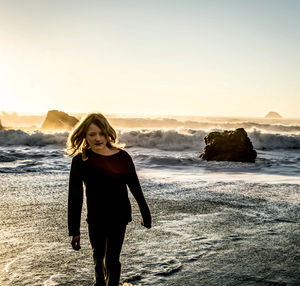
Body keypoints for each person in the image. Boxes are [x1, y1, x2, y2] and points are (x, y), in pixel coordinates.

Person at [67, 113, 151, 286]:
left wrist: (145, 213)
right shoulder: (81, 161)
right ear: (85, 136)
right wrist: (74, 230)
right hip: (96, 218)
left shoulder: (122, 157)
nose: (98, 138)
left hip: (119, 216)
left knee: (112, 259)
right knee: (98, 258)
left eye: (101, 133)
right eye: (92, 134)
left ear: (108, 133)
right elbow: (75, 197)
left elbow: (135, 187)